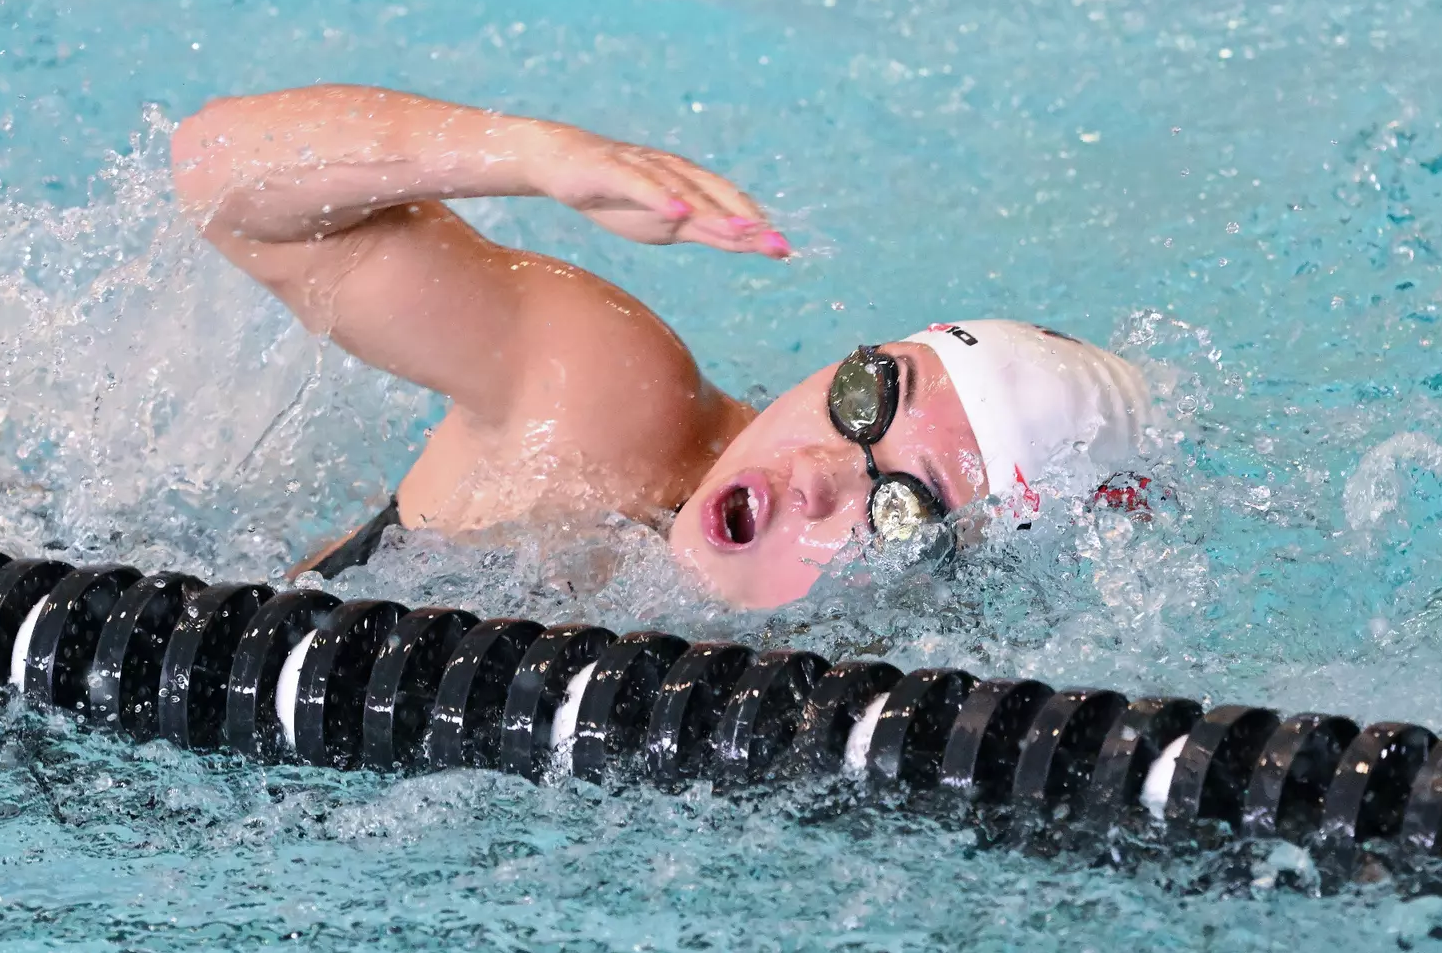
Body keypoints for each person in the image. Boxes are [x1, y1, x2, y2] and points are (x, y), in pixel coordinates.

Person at [171, 85, 1151, 608]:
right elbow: (214, 170)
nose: (813, 476)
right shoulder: (600, 402)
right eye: (865, 397)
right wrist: (532, 157)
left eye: (898, 505)